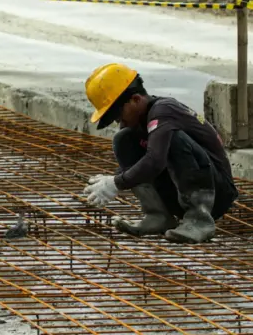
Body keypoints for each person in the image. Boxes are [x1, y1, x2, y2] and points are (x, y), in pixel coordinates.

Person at [83, 63, 238, 244]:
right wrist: (114, 178)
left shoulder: (164, 111)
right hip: (181, 193)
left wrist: (116, 183)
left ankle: (199, 221)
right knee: (123, 139)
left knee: (174, 139)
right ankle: (158, 216)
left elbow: (155, 161)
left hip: (216, 194)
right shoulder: (140, 120)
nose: (119, 120)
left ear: (135, 99)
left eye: (118, 114)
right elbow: (146, 163)